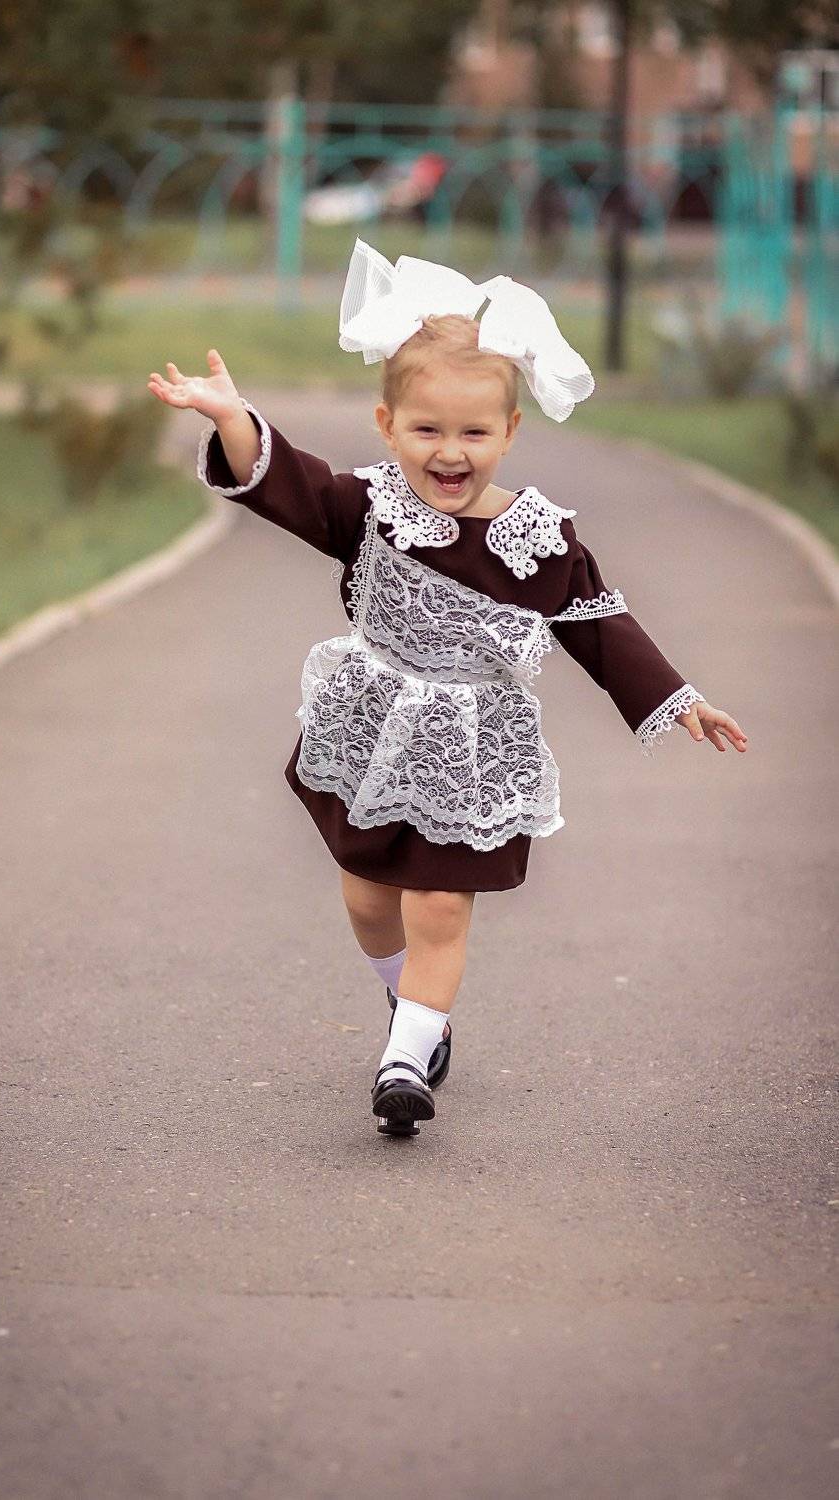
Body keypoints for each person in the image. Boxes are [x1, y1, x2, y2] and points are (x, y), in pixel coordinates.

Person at [147, 238, 748, 1140]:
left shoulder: (539, 540)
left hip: (471, 747)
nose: (450, 452)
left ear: (509, 433)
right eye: (427, 430)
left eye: (473, 433)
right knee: (367, 898)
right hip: (372, 724)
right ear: (387, 426)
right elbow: (290, 485)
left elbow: (597, 625)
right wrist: (234, 418)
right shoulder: (369, 508)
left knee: (437, 904)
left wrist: (677, 698)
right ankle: (410, 1008)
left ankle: (405, 1060)